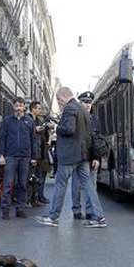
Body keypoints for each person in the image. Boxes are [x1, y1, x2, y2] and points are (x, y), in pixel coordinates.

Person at [39, 87, 107, 228]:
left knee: (60, 184)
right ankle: (99, 217)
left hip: (70, 155)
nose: (59, 102)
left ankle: (53, 216)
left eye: (59, 99)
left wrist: (56, 127)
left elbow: (69, 129)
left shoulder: (70, 108)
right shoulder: (83, 109)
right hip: (83, 155)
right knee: (89, 186)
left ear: (64, 96)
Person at [0, 97, 38, 219]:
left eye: (20, 106)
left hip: (25, 157)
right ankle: (5, 210)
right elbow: (2, 138)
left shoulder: (29, 121)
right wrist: (1, 155)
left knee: (23, 184)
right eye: (16, 106)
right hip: (10, 156)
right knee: (8, 184)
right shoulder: (7, 121)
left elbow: (33, 140)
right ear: (13, 107)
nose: (18, 108)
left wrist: (34, 157)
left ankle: (20, 208)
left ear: (24, 107)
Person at [71, 91, 101, 220]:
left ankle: (89, 211)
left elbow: (97, 140)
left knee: (91, 186)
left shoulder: (95, 119)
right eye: (84, 102)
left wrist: (97, 158)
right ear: (80, 103)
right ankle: (76, 210)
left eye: (89, 102)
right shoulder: (75, 117)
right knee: (76, 185)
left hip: (91, 157)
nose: (87, 105)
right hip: (77, 156)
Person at [27, 101, 52, 206]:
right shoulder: (27, 120)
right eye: (39, 108)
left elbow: (42, 137)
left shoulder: (38, 120)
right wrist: (34, 129)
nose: (40, 110)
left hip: (40, 152)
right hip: (31, 153)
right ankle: (29, 199)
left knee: (37, 176)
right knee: (30, 177)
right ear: (33, 109)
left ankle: (36, 198)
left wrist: (46, 129)